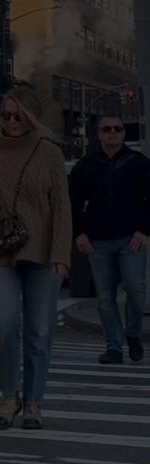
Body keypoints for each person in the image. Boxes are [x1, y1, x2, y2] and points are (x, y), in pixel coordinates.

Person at [0, 86, 72, 430]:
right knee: (4, 325)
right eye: (6, 115)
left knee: (40, 331)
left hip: (42, 252)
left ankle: (34, 402)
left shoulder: (49, 153)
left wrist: (60, 254)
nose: (10, 122)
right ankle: (8, 395)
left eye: (18, 116)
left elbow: (61, 207)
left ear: (31, 117)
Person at [70, 115, 149, 364]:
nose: (113, 132)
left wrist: (144, 231)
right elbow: (73, 202)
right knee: (105, 298)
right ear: (99, 134)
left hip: (131, 239)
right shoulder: (86, 165)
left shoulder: (139, 163)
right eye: (107, 129)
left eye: (118, 128)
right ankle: (113, 346)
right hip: (98, 242)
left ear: (124, 133)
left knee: (136, 289)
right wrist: (78, 234)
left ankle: (133, 334)